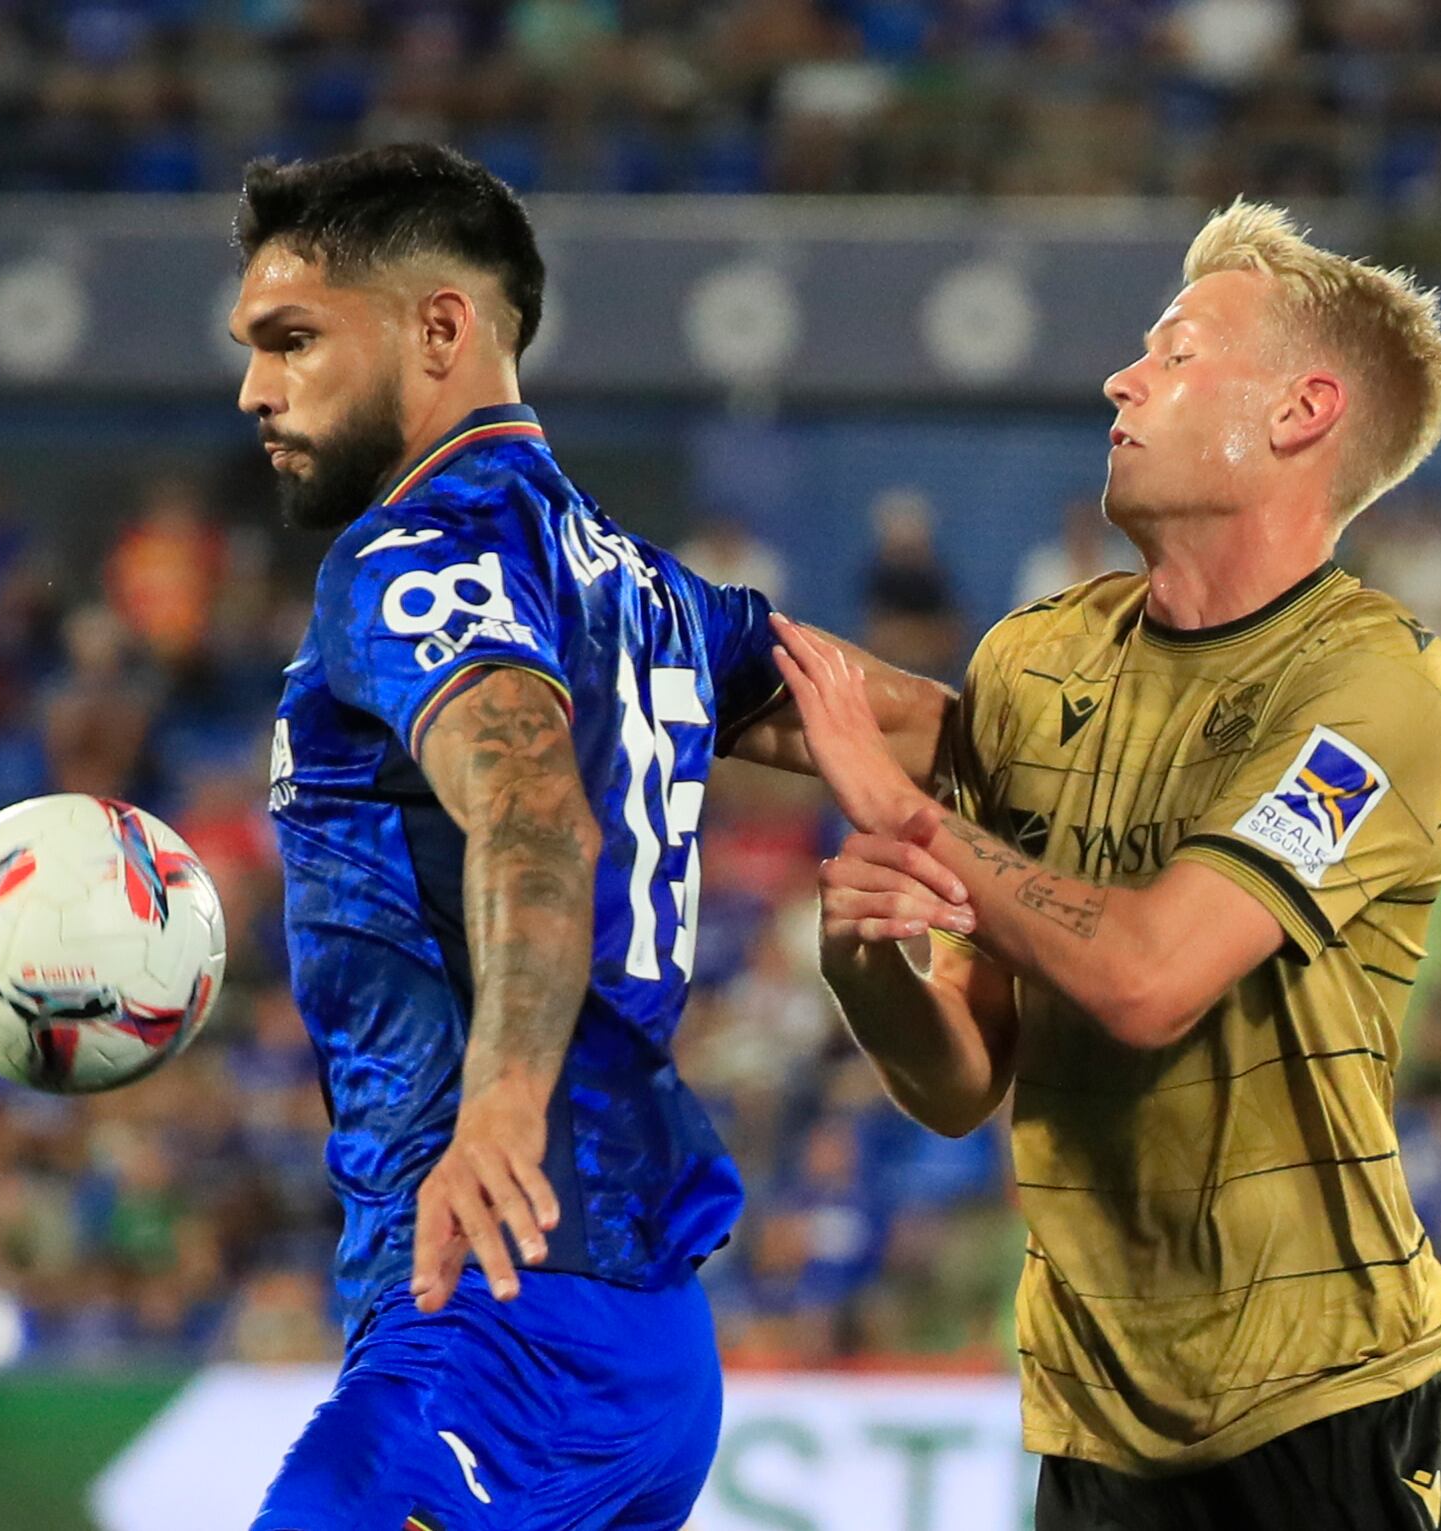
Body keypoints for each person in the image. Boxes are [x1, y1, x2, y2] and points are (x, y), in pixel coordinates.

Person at [226, 144, 950, 1531]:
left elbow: (532, 809)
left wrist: (499, 1103)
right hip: (643, 1343)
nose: (256, 388)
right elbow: (924, 725)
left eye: (293, 339)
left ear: (442, 327)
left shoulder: (411, 556)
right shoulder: (646, 592)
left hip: (496, 1310)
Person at [768, 202, 1441, 1530]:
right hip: (1095, 1428)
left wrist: (904, 807)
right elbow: (963, 1077)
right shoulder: (1033, 661)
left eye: (1174, 354)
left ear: (1301, 413)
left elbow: (1151, 978)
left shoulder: (1372, 687)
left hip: (1341, 1405)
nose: (1122, 378)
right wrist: (867, 967)